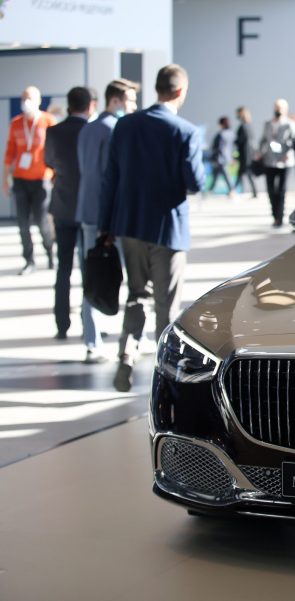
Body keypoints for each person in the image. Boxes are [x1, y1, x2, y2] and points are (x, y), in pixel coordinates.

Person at [98, 64, 205, 392]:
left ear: (156, 89)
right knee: (167, 305)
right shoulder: (185, 131)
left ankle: (126, 357)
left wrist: (106, 225)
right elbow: (195, 182)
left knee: (136, 296)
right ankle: (164, 375)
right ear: (180, 92)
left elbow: (110, 179)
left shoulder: (126, 125)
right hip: (168, 230)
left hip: (129, 226)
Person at [76, 78, 139, 363]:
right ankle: (133, 338)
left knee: (92, 275)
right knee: (131, 277)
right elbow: (110, 179)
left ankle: (92, 341)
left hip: (86, 212)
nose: (133, 106)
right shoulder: (114, 129)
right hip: (109, 218)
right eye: (130, 100)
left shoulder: (87, 129)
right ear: (116, 100)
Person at [44, 87, 93, 342]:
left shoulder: (54, 131)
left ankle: (62, 323)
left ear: (69, 105)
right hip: (86, 209)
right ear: (89, 106)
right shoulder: (91, 130)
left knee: (63, 268)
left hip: (62, 206)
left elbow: (49, 161)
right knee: (87, 269)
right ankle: (89, 325)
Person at [3, 86, 55, 276]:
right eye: (23, 98)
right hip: (20, 180)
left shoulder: (48, 121)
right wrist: (5, 180)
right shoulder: (16, 123)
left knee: (42, 222)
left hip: (42, 179)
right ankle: (29, 260)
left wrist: (56, 176)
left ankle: (50, 252)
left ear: (39, 100)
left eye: (30, 98)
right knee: (23, 223)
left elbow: (56, 151)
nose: (26, 102)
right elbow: (9, 153)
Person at [258, 98, 295, 227]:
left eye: (280, 108)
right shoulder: (268, 123)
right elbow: (263, 140)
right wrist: (259, 153)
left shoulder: (290, 124)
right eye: (276, 107)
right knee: (270, 189)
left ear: (285, 109)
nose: (277, 110)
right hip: (270, 161)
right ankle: (274, 215)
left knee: (281, 190)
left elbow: (294, 141)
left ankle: (279, 218)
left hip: (285, 162)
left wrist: (287, 153)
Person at [208, 116, 235, 198]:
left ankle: (232, 190)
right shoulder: (231, 133)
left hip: (220, 158)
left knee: (225, 175)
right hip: (226, 157)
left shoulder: (221, 134)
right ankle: (210, 190)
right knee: (216, 175)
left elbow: (218, 147)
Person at [234, 106, 257, 198]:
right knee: (244, 174)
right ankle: (233, 190)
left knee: (244, 173)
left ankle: (233, 190)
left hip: (245, 155)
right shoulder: (248, 125)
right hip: (246, 154)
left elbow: (244, 141)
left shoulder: (244, 126)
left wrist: (236, 141)